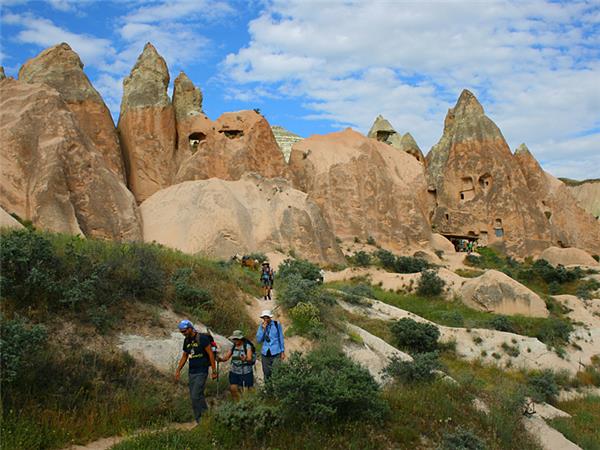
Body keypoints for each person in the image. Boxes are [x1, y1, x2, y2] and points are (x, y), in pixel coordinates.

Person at [174, 320, 218, 423]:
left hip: (202, 371)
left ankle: (200, 419)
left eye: (184, 331)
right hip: (192, 372)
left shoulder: (202, 339)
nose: (183, 333)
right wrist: (178, 370)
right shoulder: (187, 341)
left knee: (195, 396)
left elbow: (211, 354)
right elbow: (184, 356)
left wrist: (214, 370)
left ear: (190, 328)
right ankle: (205, 417)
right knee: (197, 396)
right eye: (181, 332)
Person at [218, 330, 254, 400]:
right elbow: (226, 357)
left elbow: (249, 358)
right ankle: (237, 404)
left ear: (241, 339)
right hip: (234, 371)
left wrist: (245, 359)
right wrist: (220, 359)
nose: (235, 340)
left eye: (237, 339)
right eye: (234, 339)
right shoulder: (233, 346)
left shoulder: (247, 346)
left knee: (246, 391)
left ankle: (245, 404)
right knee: (233, 389)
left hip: (245, 372)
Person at [256, 309, 285, 381]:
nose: (266, 319)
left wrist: (282, 351)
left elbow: (280, 338)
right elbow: (259, 340)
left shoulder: (276, 324)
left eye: (267, 317)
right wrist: (263, 329)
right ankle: (268, 389)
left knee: (276, 372)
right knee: (266, 372)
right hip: (265, 353)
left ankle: (276, 390)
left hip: (276, 352)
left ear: (270, 317)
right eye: (264, 318)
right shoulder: (261, 326)